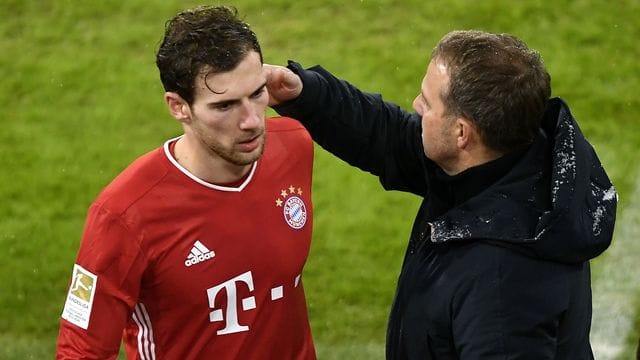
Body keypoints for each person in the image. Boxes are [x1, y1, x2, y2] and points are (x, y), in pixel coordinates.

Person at [266, 30, 617, 359]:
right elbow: (388, 136)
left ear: (462, 132)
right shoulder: (505, 162)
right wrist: (304, 94)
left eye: (428, 103)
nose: (416, 105)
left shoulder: (501, 288)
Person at [56, 5, 317, 359]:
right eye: (225, 107)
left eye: (257, 94)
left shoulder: (293, 146)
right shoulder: (123, 215)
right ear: (178, 107)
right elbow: (81, 351)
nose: (252, 121)